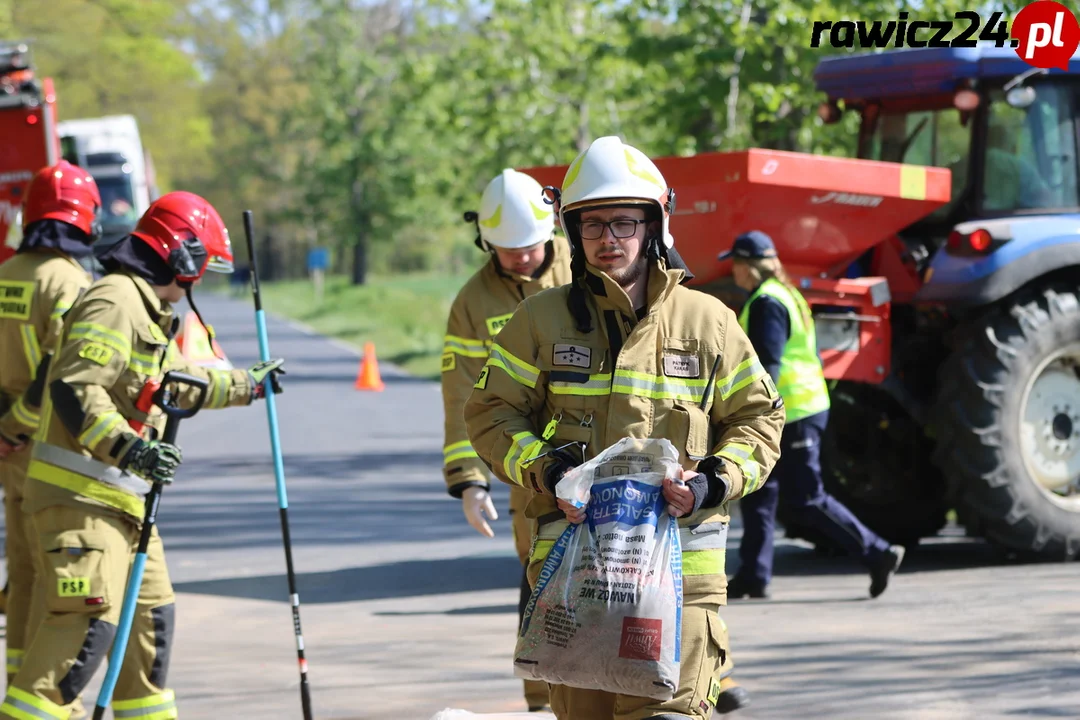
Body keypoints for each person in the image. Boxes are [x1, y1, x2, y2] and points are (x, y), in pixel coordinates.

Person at [464, 136, 784, 720]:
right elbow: (490, 414)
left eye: (623, 223)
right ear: (572, 231)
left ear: (656, 223)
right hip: (574, 577)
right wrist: (549, 470)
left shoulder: (708, 321)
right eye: (591, 225)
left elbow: (759, 419)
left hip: (682, 582)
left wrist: (713, 482)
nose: (607, 239)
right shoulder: (539, 320)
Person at [0, 191, 286, 720]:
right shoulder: (114, 301)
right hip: (80, 498)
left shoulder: (149, 309)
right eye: (201, 267)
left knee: (149, 627)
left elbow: (174, 385)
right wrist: (133, 450)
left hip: (124, 503)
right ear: (182, 256)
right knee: (84, 631)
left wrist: (247, 384)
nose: (199, 281)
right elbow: (74, 389)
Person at [441, 167, 571, 712]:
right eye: (506, 249)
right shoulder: (473, 303)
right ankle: (542, 696)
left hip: (601, 442)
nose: (521, 257)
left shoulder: (584, 262)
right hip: (527, 461)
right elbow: (462, 396)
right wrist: (468, 481)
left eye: (530, 246)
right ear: (485, 241)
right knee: (541, 569)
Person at [720, 230, 905, 600]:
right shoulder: (785, 294)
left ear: (749, 266)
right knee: (759, 492)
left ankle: (878, 552)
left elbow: (767, 363)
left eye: (736, 265)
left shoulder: (767, 302)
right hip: (796, 408)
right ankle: (753, 576)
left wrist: (751, 411)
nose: (733, 273)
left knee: (806, 497)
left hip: (793, 411)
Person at [0, 161, 100, 703]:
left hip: (7, 451)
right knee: (54, 575)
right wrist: (17, 427)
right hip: (44, 450)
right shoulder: (69, 281)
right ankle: (41, 701)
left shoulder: (6, 273)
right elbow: (60, 371)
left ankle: (15, 686)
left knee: (21, 573)